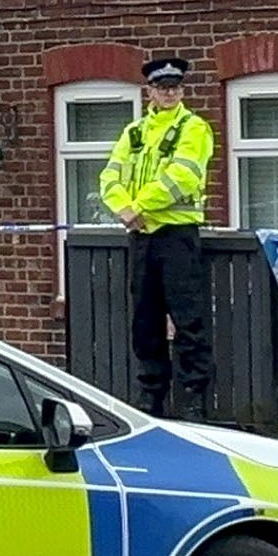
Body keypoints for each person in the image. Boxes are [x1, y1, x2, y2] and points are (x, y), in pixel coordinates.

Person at [98, 53, 215, 416]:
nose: (170, 93)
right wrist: (123, 209)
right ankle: (151, 396)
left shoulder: (194, 128)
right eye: (163, 88)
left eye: (175, 87)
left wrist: (139, 207)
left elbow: (182, 176)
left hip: (177, 235)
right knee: (145, 320)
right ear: (149, 91)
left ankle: (193, 398)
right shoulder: (133, 133)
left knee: (188, 319)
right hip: (142, 237)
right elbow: (108, 178)